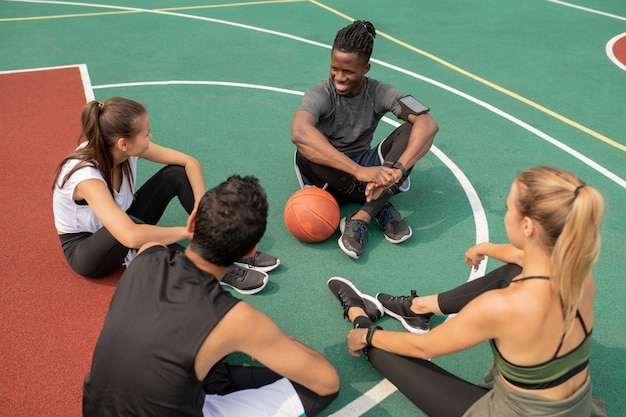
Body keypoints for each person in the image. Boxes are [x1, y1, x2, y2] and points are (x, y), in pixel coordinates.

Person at [328, 166, 607, 416]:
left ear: (527, 226)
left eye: (509, 208)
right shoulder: (580, 271)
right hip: (573, 408)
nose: (506, 213)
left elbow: (424, 347)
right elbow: (527, 258)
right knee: (512, 271)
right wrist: (485, 248)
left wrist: (368, 334)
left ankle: (359, 315)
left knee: (381, 348)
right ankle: (416, 310)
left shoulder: (502, 306)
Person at [83, 175, 340, 417]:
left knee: (200, 363)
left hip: (95, 409)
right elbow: (326, 381)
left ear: (192, 221)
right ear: (251, 251)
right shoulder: (238, 319)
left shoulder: (148, 254)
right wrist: (289, 344)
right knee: (318, 390)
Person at [52, 97, 278, 294]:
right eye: (145, 133)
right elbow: (129, 235)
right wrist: (187, 232)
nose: (150, 136)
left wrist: (202, 212)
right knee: (131, 228)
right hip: (87, 251)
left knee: (174, 174)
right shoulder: (87, 177)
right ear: (123, 143)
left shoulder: (121, 148)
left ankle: (228, 244)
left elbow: (190, 163)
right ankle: (214, 265)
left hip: (123, 223)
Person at [291, 20, 439, 259]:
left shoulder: (381, 92)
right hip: (329, 177)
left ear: (366, 68)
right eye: (334, 68)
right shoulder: (320, 94)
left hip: (366, 165)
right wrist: (359, 171)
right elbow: (299, 132)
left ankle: (361, 216)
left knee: (413, 132)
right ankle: (379, 204)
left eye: (348, 71)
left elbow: (428, 123)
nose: (339, 77)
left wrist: (397, 171)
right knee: (307, 151)